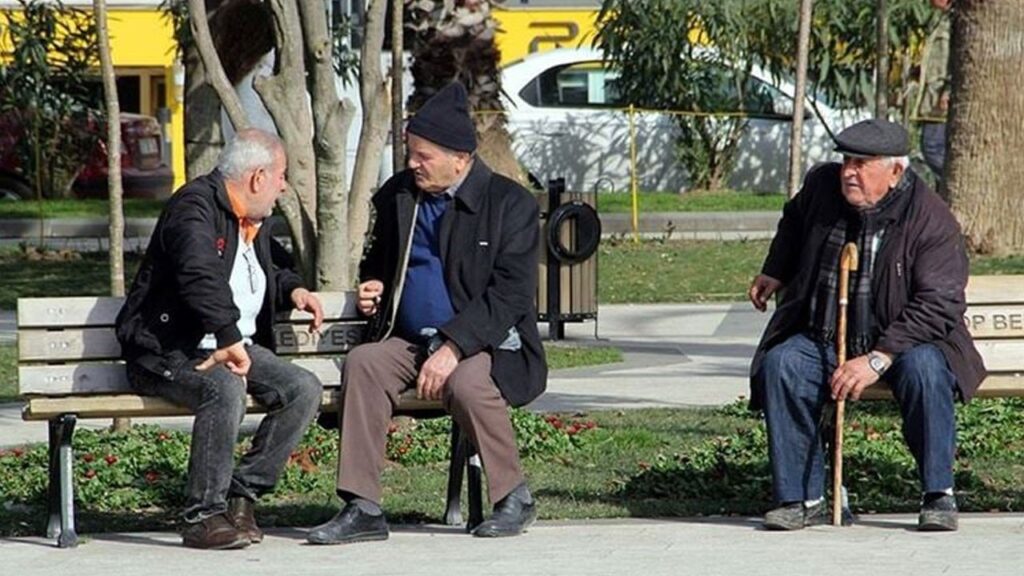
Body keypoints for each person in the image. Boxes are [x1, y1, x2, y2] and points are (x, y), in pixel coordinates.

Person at [307, 81, 547, 545]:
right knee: (365, 363)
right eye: (410, 153)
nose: (413, 163)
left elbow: (510, 294)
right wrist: (373, 284)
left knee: (467, 383)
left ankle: (513, 497)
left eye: (424, 156)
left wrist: (453, 347)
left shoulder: (509, 204)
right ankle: (362, 507)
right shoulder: (400, 196)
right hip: (411, 340)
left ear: (460, 158)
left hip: (484, 344)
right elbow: (380, 259)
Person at [747, 118, 985, 532]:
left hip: (906, 342)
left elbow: (940, 304)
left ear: (895, 171)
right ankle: (804, 498)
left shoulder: (930, 218)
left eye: (862, 163)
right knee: (783, 364)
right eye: (846, 161)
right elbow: (794, 220)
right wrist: (776, 269)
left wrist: (878, 357)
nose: (848, 172)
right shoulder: (822, 187)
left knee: (927, 372)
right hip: (825, 335)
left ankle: (938, 494)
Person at [115, 129, 325, 550]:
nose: (284, 186)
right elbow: (199, 274)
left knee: (303, 389)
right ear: (258, 177)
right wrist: (228, 337)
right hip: (167, 350)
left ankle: (241, 498)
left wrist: (293, 290)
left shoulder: (250, 220)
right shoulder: (192, 209)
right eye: (281, 176)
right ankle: (202, 516)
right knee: (223, 388)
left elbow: (267, 268)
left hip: (231, 347)